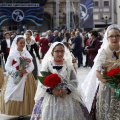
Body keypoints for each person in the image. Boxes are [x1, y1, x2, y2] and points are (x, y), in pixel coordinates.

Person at [30, 42, 91, 120]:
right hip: (51, 96)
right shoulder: (47, 65)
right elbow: (42, 82)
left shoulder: (68, 65)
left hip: (67, 95)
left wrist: (67, 90)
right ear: (52, 52)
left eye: (62, 51)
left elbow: (74, 81)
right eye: (57, 51)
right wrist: (52, 90)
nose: (60, 54)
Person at [82, 24, 120, 120]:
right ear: (107, 38)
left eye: (117, 35)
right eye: (112, 36)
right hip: (107, 87)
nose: (114, 38)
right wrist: (111, 84)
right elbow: (98, 73)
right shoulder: (104, 52)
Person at [0, 36, 36, 119]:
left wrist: (26, 70)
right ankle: (15, 111)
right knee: (13, 93)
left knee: (26, 94)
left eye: (24, 43)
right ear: (16, 43)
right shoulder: (12, 53)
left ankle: (24, 112)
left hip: (26, 76)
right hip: (15, 76)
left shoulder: (26, 53)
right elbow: (7, 66)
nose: (23, 44)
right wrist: (16, 72)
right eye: (21, 43)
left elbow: (32, 66)